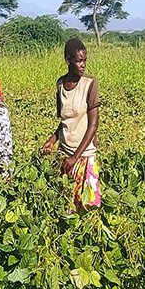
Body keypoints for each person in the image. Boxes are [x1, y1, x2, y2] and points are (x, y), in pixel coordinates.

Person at [40, 38, 102, 212]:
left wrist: (75, 157)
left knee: (89, 206)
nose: (83, 65)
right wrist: (52, 141)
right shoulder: (60, 85)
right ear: (68, 60)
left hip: (84, 155)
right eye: (79, 61)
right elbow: (64, 122)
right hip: (65, 155)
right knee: (67, 208)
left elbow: (93, 125)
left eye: (85, 60)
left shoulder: (90, 84)